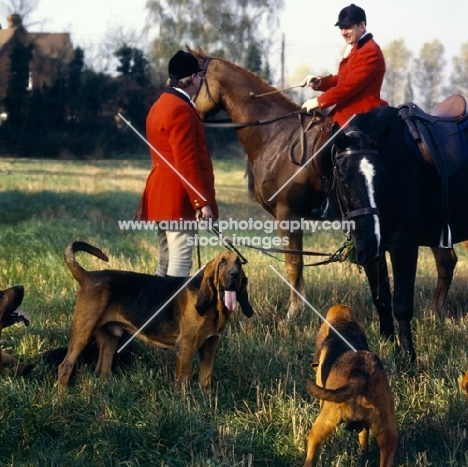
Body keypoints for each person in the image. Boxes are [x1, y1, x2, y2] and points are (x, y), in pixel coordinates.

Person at [137, 50, 219, 278]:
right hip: (177, 196)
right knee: (180, 259)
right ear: (193, 78)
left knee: (165, 259)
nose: (201, 81)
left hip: (161, 193)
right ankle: (171, 314)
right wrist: (201, 202)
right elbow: (186, 161)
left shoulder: (160, 104)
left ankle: (154, 310)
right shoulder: (180, 109)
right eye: (200, 77)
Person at [301, 4, 388, 127]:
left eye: (347, 27)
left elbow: (349, 86)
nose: (343, 32)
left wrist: (319, 101)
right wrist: (320, 82)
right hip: (345, 115)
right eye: (341, 28)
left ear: (362, 26)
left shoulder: (370, 50)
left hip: (360, 119)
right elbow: (342, 79)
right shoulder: (355, 48)